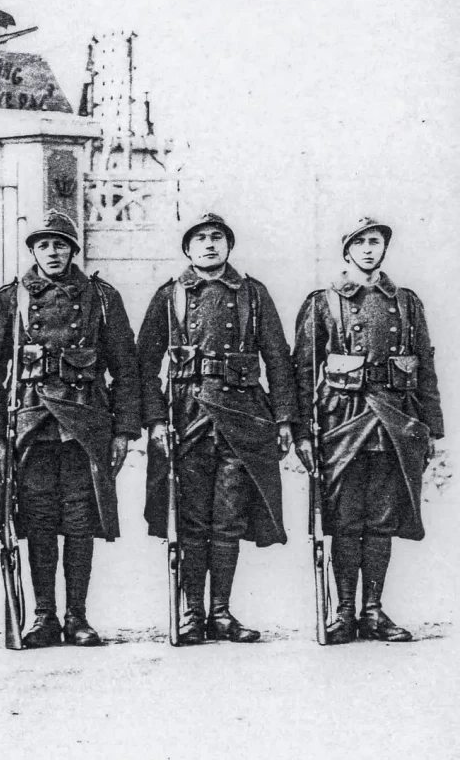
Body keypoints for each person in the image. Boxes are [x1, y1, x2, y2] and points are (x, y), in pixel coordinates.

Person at [135, 212, 303, 644]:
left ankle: (222, 613)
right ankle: (192, 612)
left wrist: (284, 418)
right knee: (190, 520)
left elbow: (279, 359)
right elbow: (143, 365)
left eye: (217, 238)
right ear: (187, 249)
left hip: (243, 419)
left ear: (229, 245)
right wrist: (154, 420)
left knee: (228, 519)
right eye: (200, 239)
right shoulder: (168, 295)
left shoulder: (253, 294)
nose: (209, 245)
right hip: (187, 418)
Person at [0, 210, 139, 648]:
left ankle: (77, 616)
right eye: (44, 244)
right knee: (39, 520)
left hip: (85, 424)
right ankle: (43, 616)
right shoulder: (9, 299)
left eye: (61, 244)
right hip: (31, 425)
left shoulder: (101, 297)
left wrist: (123, 431)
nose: (53, 251)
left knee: (80, 520)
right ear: (32, 250)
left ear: (73, 250)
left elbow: (126, 368)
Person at [293, 217, 444, 643]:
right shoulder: (323, 302)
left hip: (394, 421)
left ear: (384, 248)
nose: (367, 249)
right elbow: (303, 370)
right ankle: (343, 612)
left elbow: (426, 368)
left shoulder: (407, 303)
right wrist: (303, 432)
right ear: (346, 251)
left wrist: (430, 427)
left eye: (375, 242)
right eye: (359, 242)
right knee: (344, 518)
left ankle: (373, 610)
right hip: (342, 421)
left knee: (381, 518)